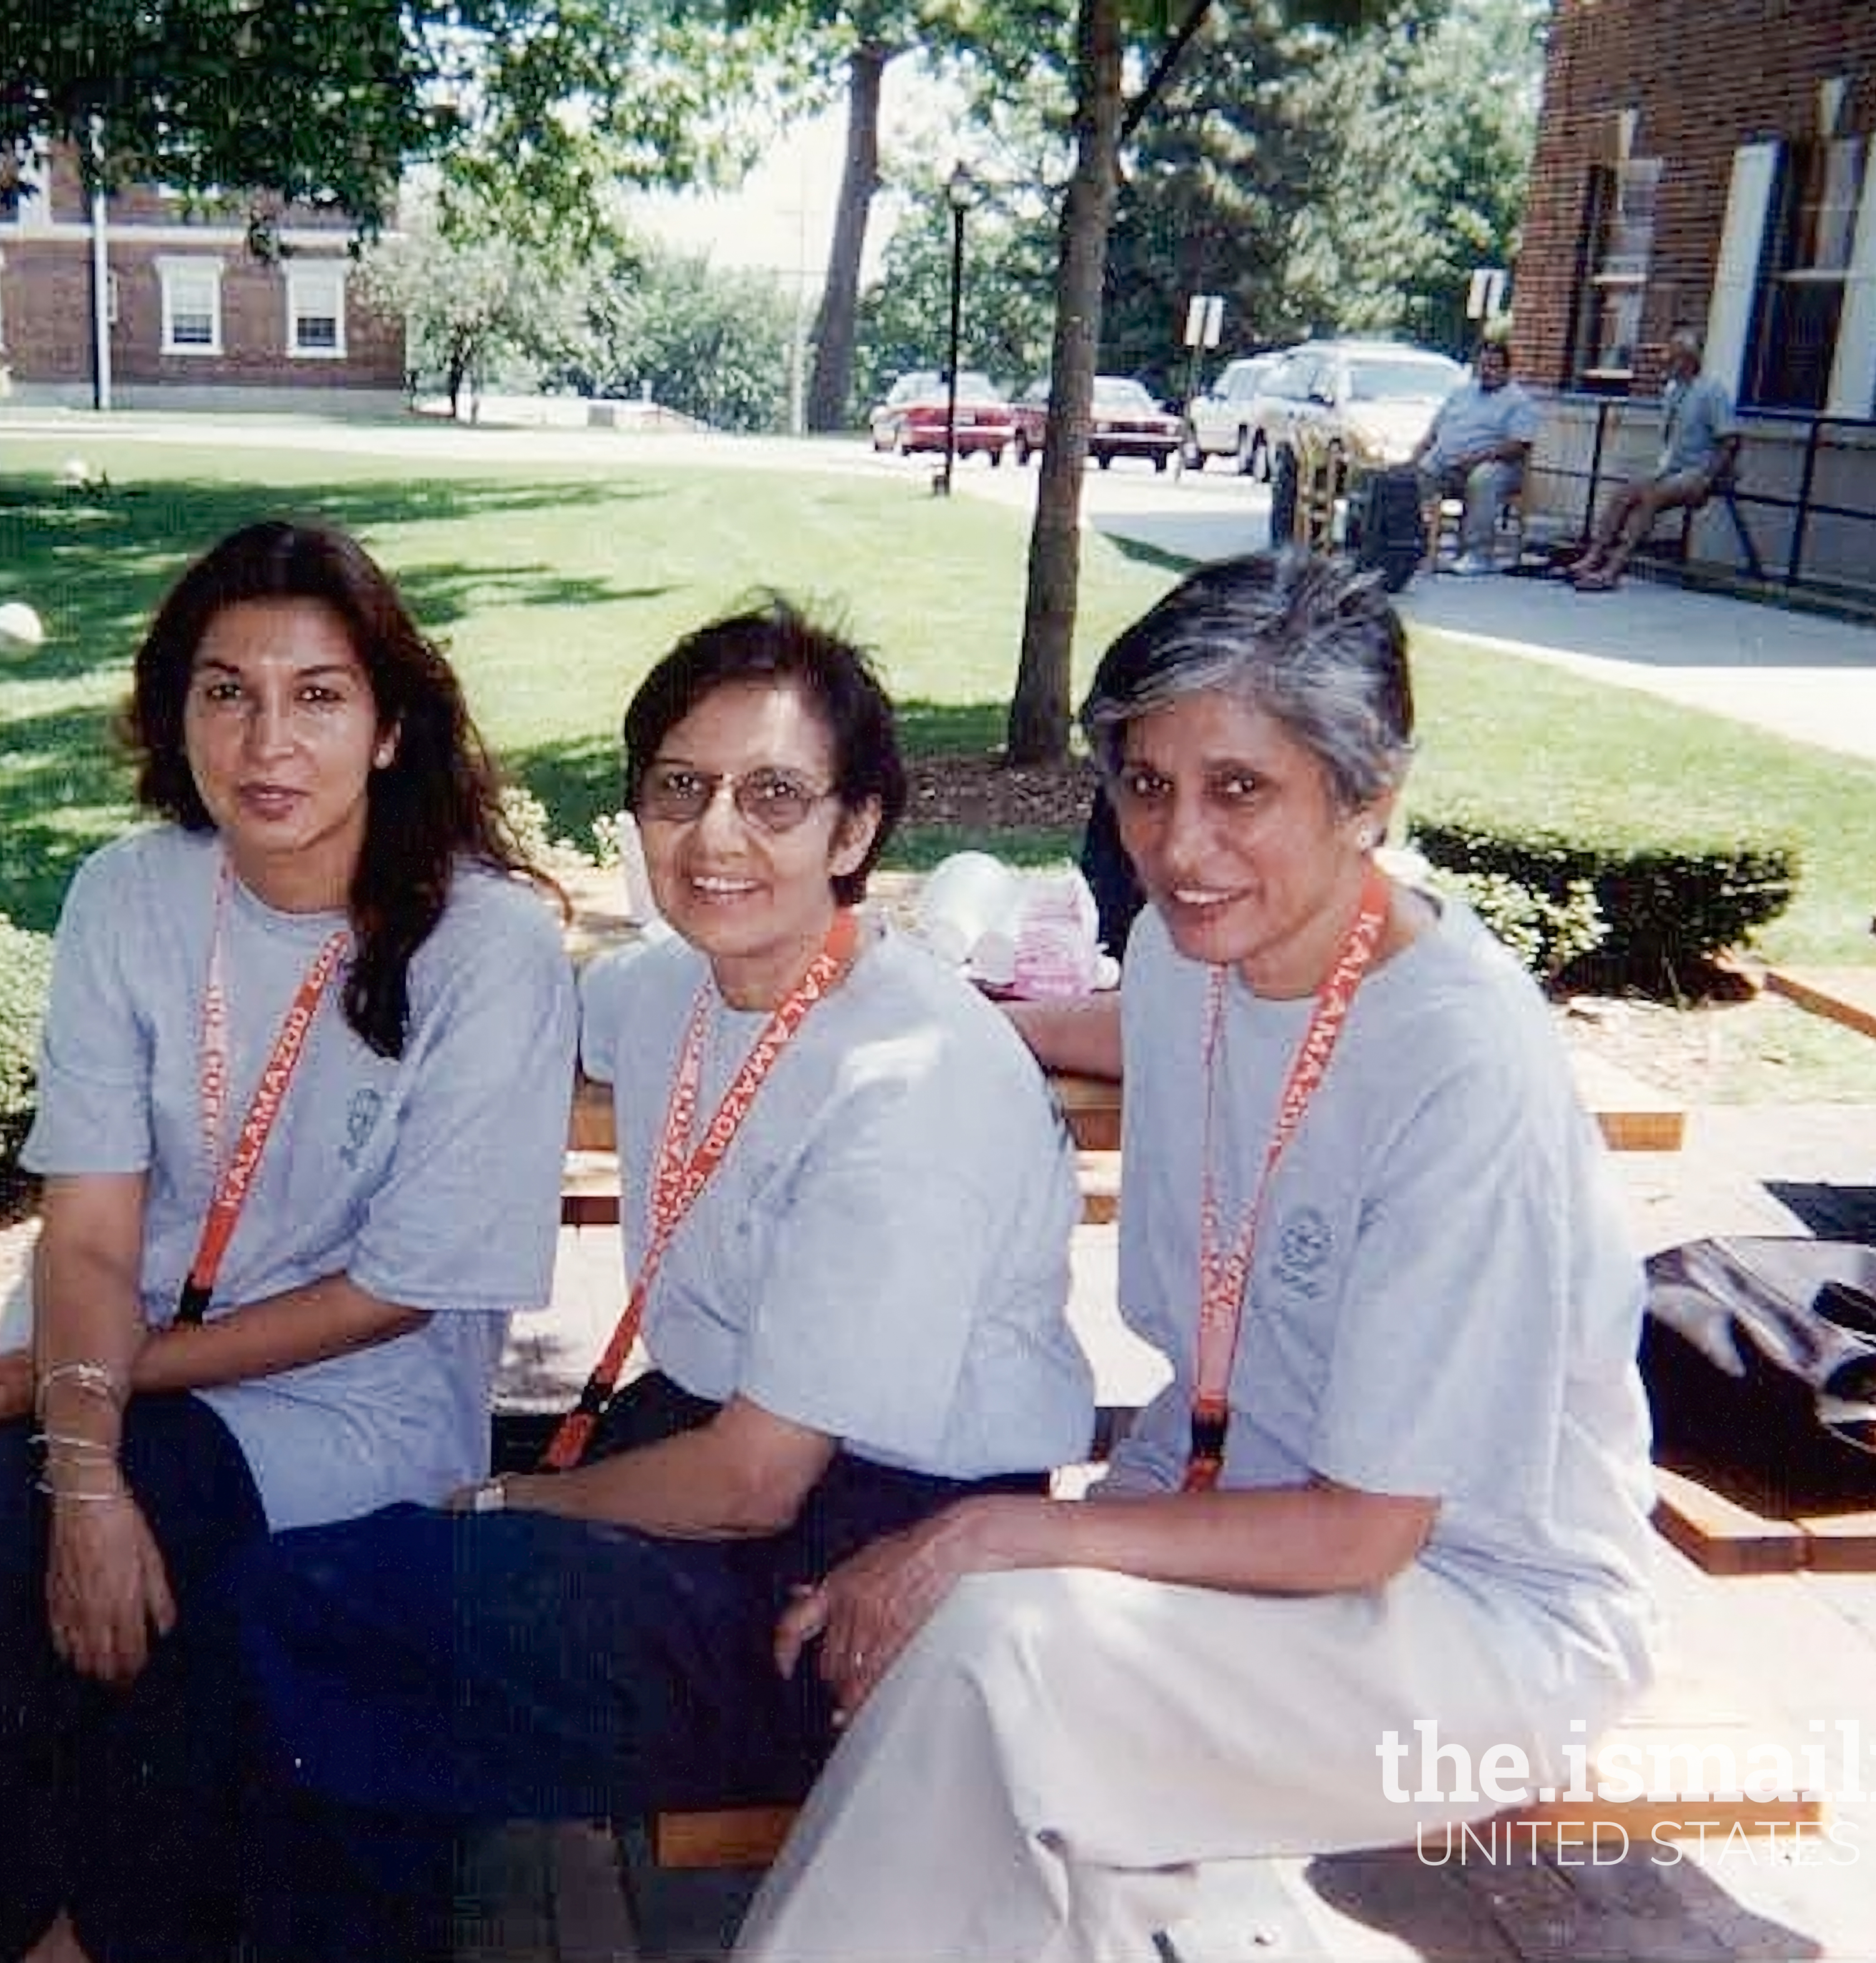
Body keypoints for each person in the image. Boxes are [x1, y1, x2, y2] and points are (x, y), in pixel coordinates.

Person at [0, 517, 580, 1963]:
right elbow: (83, 1229)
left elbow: (396, 1291)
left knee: (20, 1508)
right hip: (104, 1349)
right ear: (174, 710)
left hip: (346, 1389)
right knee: (17, 1520)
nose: (267, 739)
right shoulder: (128, 895)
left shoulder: (486, 940)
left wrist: (60, 1399)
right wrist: (79, 1456)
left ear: (392, 727)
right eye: (224, 690)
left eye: (318, 694)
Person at [730, 550, 1659, 1963]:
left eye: (1239, 789)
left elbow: (1365, 1528)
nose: (1176, 847)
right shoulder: (1191, 958)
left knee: (994, 1650)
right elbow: (1130, 1025)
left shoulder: (1458, 1066)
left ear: (1367, 794)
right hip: (1232, 1498)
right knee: (959, 1652)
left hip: (1466, 1617)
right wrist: (922, 1009)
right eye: (1145, 785)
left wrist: (1001, 1528)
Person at [230, 604, 1101, 1963]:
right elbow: (491, 1013)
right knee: (342, 1617)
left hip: (856, 1570)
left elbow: (755, 1478)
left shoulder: (909, 1081)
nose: (714, 836)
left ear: (855, 830)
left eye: (771, 795)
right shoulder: (670, 988)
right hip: (691, 1457)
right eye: (677, 789)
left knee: (316, 1601)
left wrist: (505, 1496)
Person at [1569, 327, 1740, 591]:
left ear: (1689, 361)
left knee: (1653, 497)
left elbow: (1730, 442)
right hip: (1670, 468)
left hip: (1700, 471)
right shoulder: (1672, 390)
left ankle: (1613, 570)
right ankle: (1593, 558)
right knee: (1623, 493)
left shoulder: (1712, 392)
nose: (1666, 362)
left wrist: (1708, 478)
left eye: (1672, 357)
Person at [1409, 340, 1538, 575]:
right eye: (1483, 366)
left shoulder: (1519, 401)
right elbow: (1434, 431)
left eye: (1494, 366)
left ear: (1507, 370)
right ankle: (1411, 545)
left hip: (1499, 466)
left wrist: (1480, 457)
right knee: (1409, 477)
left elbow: (1519, 445)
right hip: (1447, 463)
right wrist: (1417, 454)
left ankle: (1478, 554)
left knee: (1483, 478)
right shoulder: (1462, 393)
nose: (1487, 372)